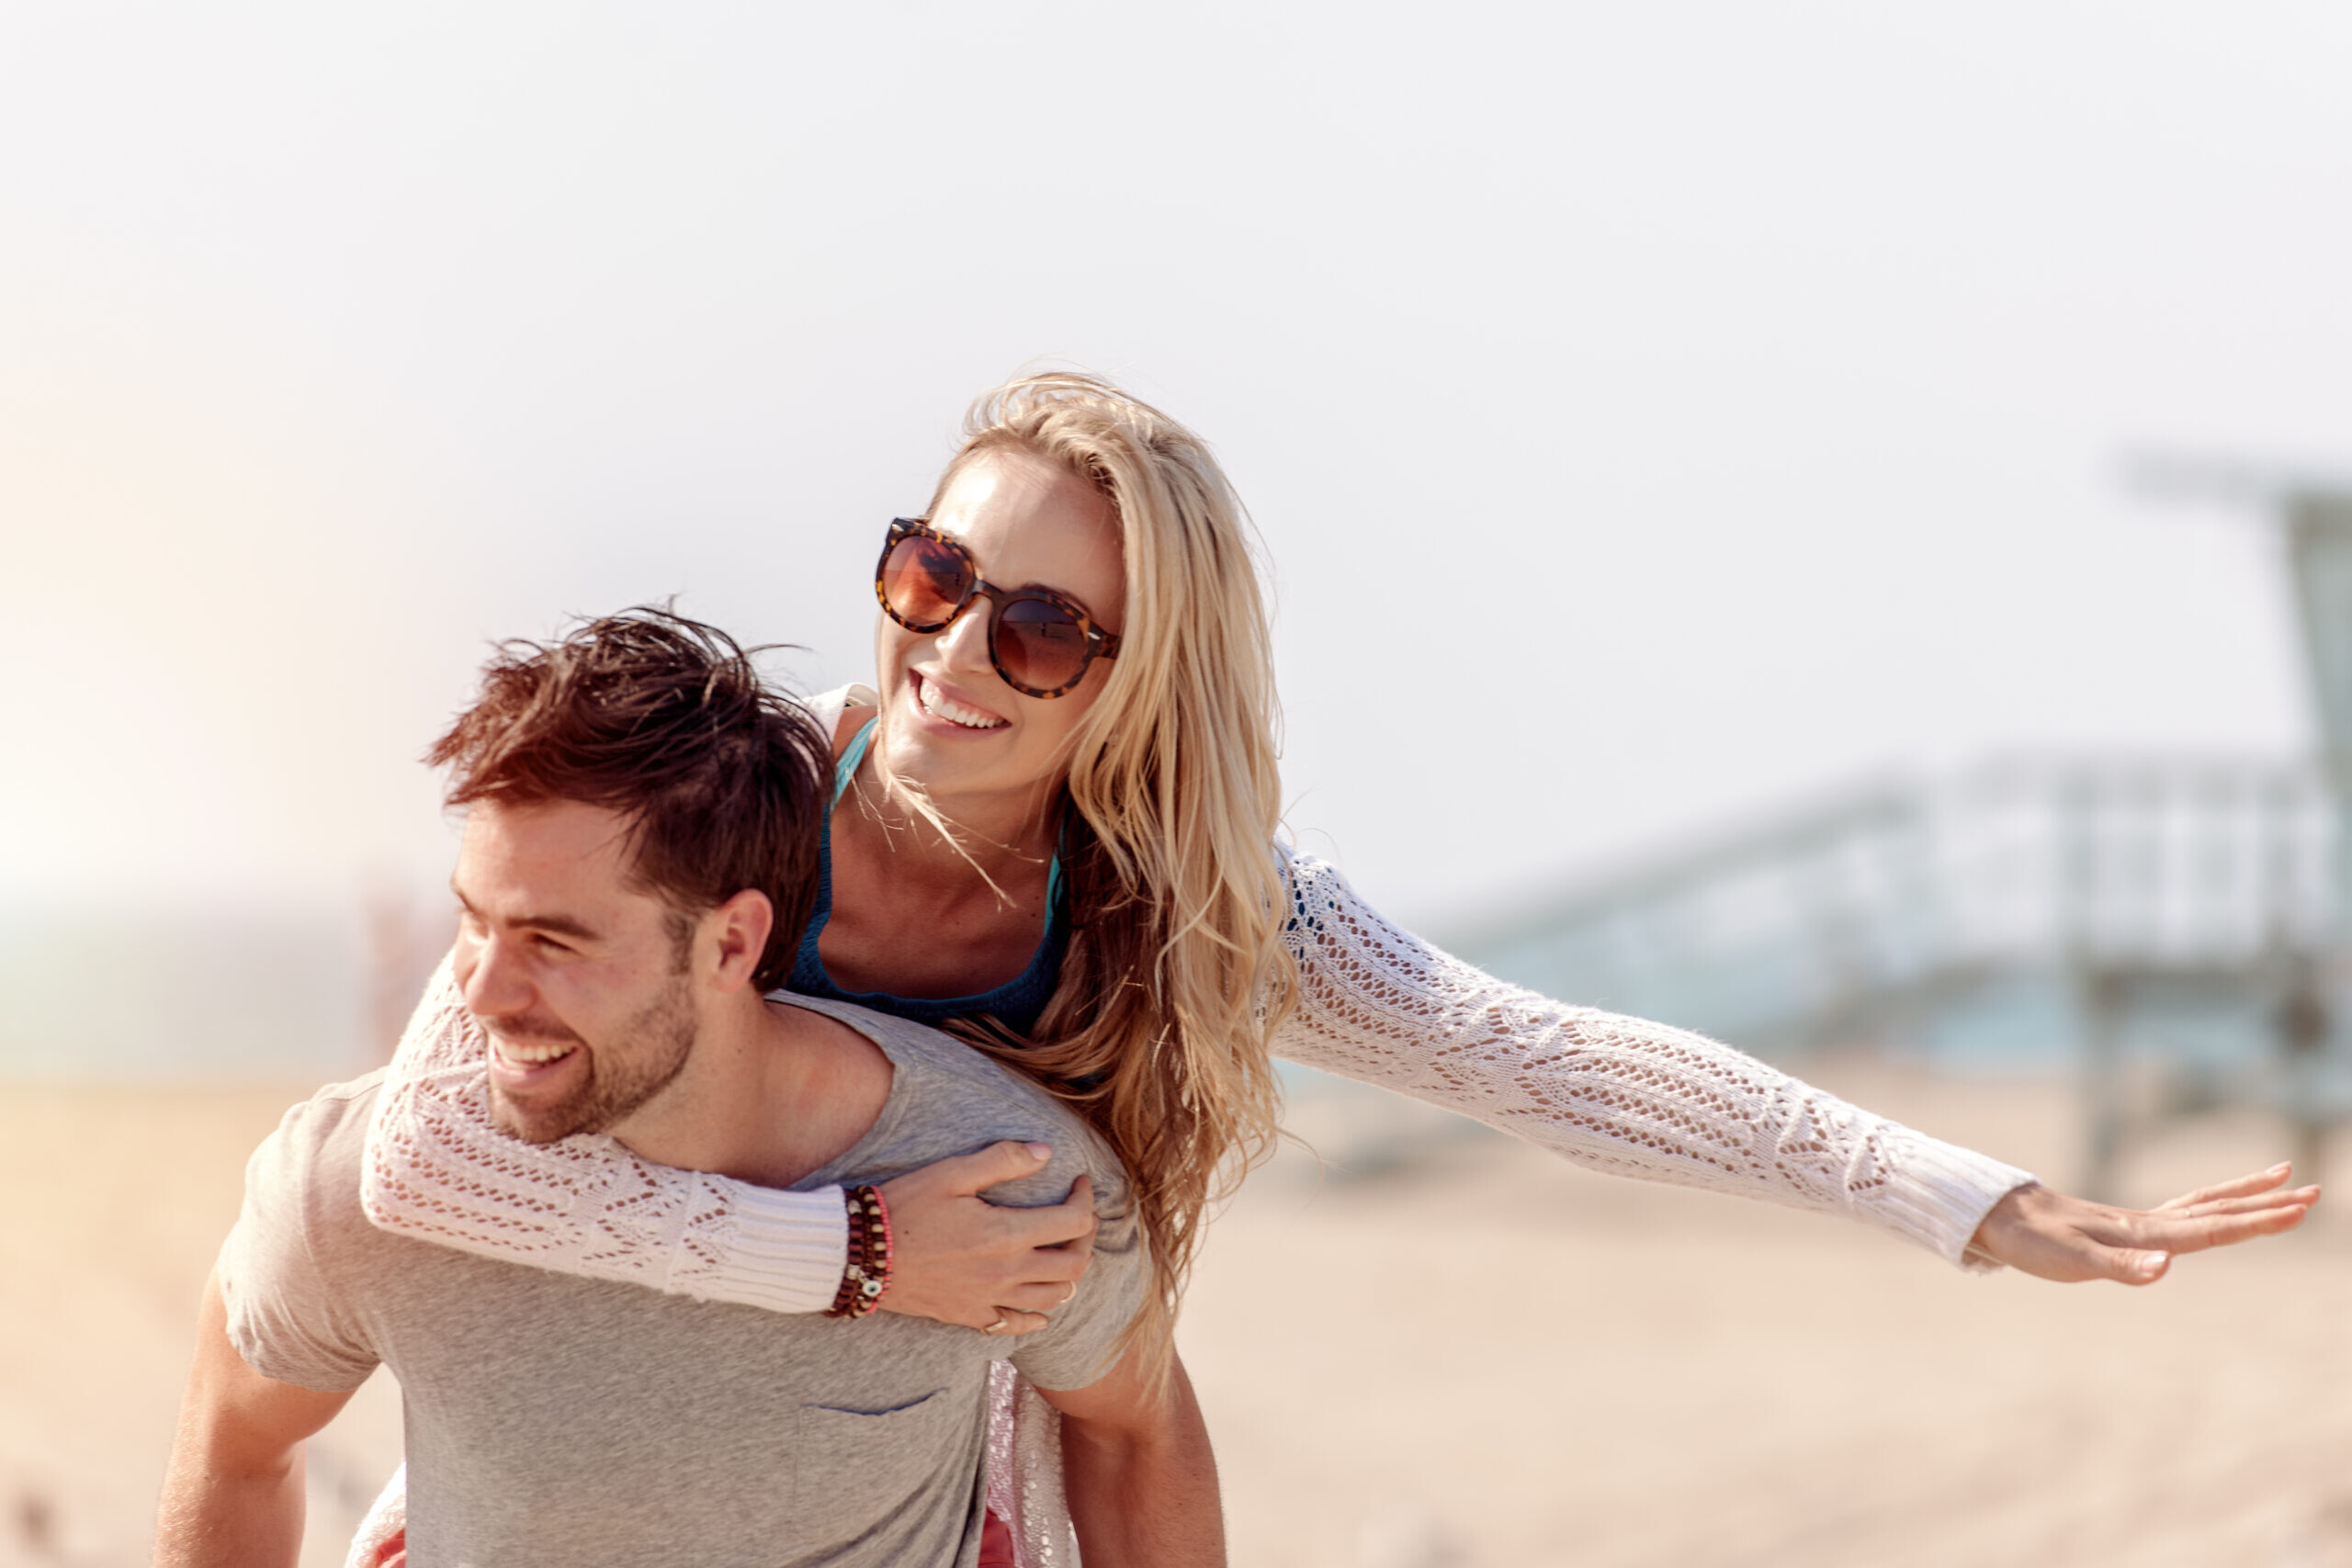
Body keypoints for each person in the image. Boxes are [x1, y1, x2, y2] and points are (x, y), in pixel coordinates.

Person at [358, 372, 2319, 1562]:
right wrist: (856, 1254)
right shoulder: (724, 802)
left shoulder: (1186, 909)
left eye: (1039, 627)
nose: (951, 651)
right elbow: (430, 1149)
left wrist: (1952, 1191)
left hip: (925, 1478)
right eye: (931, 578)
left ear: (1141, 677)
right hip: (592, 1430)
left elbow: (1529, 1056)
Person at [154, 613, 1217, 1568]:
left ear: (734, 942)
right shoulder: (360, 1191)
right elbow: (235, 1439)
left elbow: (1136, 1434)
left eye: (554, 942)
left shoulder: (995, 1181)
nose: (480, 989)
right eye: (474, 921)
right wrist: (850, 1253)